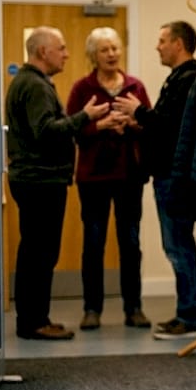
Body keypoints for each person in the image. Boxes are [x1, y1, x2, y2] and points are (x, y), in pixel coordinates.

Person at [5, 26, 111, 340]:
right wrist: (85, 116)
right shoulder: (35, 86)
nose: (66, 54)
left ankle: (36, 318)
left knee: (36, 252)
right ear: (42, 52)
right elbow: (46, 131)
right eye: (61, 48)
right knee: (40, 254)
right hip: (40, 180)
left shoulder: (30, 82)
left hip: (37, 179)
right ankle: (34, 322)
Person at [66, 27, 150, 331]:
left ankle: (134, 307)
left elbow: (150, 126)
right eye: (105, 49)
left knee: (130, 243)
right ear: (94, 55)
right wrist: (99, 125)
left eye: (115, 48)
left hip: (130, 175)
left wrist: (131, 123)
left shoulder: (135, 87)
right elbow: (71, 129)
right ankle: (92, 309)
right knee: (93, 243)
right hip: (94, 178)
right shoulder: (81, 89)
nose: (112, 54)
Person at [134, 21, 196, 340]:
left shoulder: (188, 79)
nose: (157, 46)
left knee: (178, 246)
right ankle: (187, 312)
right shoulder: (181, 78)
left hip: (175, 178)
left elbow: (169, 126)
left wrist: (137, 112)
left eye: (162, 40)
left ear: (179, 44)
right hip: (171, 175)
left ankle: (189, 316)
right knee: (177, 244)